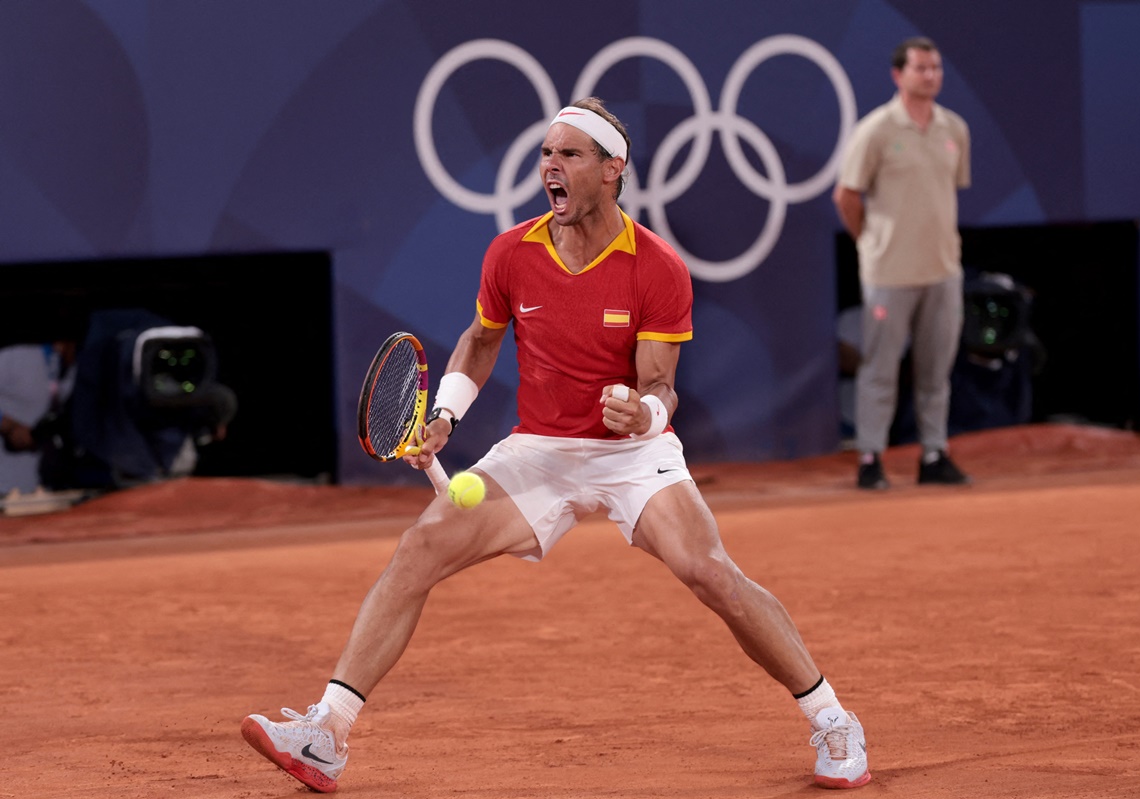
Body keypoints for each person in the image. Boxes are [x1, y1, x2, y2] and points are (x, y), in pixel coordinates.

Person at [241, 97, 870, 792]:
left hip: (633, 453)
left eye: (569, 154)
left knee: (710, 571)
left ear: (612, 171)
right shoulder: (512, 252)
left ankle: (834, 719)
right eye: (547, 153)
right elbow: (480, 342)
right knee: (419, 548)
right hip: (539, 448)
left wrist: (644, 411)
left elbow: (662, 382)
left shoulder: (657, 266)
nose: (550, 165)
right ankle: (327, 731)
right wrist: (445, 414)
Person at [833, 36, 972, 490]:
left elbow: (948, 193)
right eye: (920, 68)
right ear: (899, 75)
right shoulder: (876, 130)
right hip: (889, 273)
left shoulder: (954, 129)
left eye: (936, 68)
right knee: (880, 369)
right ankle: (871, 458)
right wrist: (870, 242)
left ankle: (934, 453)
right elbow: (847, 195)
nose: (930, 75)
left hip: (943, 270)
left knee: (936, 371)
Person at [0, 341, 75, 495]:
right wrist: (8, 425)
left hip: (45, 486)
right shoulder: (13, 354)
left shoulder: (71, 363)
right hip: (5, 484)